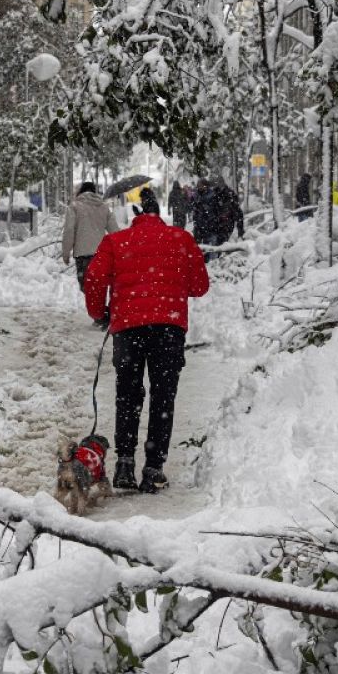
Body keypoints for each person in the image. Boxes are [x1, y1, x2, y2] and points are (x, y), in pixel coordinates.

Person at [82, 188, 210, 494]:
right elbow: (199, 285)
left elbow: (95, 279)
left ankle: (125, 463)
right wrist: (170, 286)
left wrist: (100, 312)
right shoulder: (182, 239)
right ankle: (153, 469)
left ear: (136, 218)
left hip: (128, 329)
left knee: (127, 395)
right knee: (162, 397)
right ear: (160, 217)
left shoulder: (116, 241)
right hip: (168, 328)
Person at [61, 181, 119, 298]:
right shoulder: (104, 208)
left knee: (86, 288)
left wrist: (66, 253)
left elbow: (69, 230)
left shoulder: (74, 207)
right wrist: (119, 252)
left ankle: (94, 308)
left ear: (81, 191)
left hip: (82, 255)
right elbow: (115, 232)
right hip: (101, 255)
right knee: (99, 287)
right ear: (94, 192)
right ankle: (99, 308)